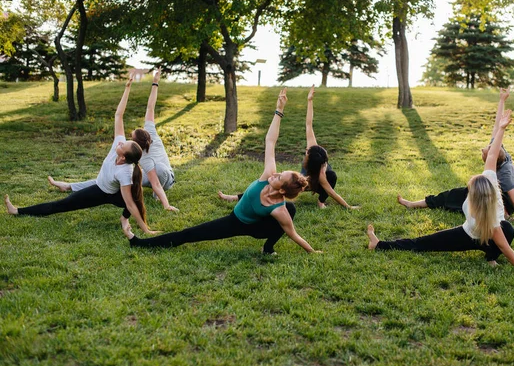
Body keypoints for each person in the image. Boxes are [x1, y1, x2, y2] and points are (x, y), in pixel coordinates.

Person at [124, 88, 322, 255]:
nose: (275, 173)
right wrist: (279, 111)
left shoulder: (279, 210)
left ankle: (268, 248)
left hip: (260, 227)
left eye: (280, 177)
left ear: (281, 190)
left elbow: (293, 234)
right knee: (190, 233)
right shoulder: (268, 175)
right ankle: (140, 243)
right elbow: (270, 141)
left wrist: (313, 252)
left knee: (291, 210)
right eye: (280, 172)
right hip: (236, 221)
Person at [367, 109, 514, 276]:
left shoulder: (491, 221)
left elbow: (505, 248)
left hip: (478, 234)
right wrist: (501, 128)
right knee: (424, 242)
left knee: (507, 230)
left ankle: (490, 257)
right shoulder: (490, 182)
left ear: (475, 198)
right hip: (469, 234)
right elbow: (493, 155)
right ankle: (379, 244)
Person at [4, 76, 158, 235]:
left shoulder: (124, 173)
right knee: (62, 204)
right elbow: (119, 115)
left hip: (111, 194)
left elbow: (131, 204)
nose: (119, 142)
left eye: (123, 145)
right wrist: (127, 89)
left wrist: (145, 229)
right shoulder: (117, 146)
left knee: (132, 201)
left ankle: (123, 219)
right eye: (123, 141)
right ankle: (17, 211)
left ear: (124, 157)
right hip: (100, 189)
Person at [48, 68, 179, 213]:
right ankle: (69, 186)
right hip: (149, 176)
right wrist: (155, 83)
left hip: (167, 179)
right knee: (106, 180)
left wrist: (166, 205)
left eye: (132, 136)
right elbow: (150, 107)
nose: (128, 137)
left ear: (137, 143)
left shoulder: (146, 153)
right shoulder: (147, 134)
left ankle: (158, 196)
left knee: (158, 171)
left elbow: (155, 182)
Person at [398, 89, 514, 220]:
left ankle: (503, 212)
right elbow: (497, 126)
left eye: (485, 152)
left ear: (491, 160)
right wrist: (502, 100)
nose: (482, 149)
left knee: (472, 198)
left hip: (507, 199)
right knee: (459, 194)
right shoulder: (498, 151)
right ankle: (415, 204)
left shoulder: (504, 175)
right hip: (495, 192)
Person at [301, 85, 358, 209]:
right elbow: (308, 124)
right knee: (299, 183)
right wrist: (309, 101)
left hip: (317, 175)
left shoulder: (316, 161)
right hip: (308, 178)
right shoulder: (314, 155)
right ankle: (314, 193)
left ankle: (320, 200)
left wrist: (309, 101)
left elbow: (308, 124)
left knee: (331, 175)